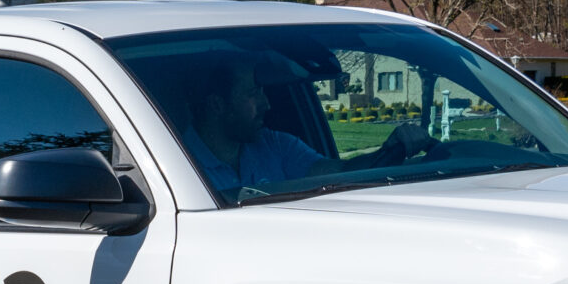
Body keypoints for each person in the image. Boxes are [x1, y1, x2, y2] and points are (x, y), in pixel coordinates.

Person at [182, 56, 429, 198]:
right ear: (217, 104)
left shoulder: (275, 145)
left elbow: (340, 172)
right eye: (253, 93)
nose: (266, 104)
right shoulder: (179, 164)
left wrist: (387, 150)